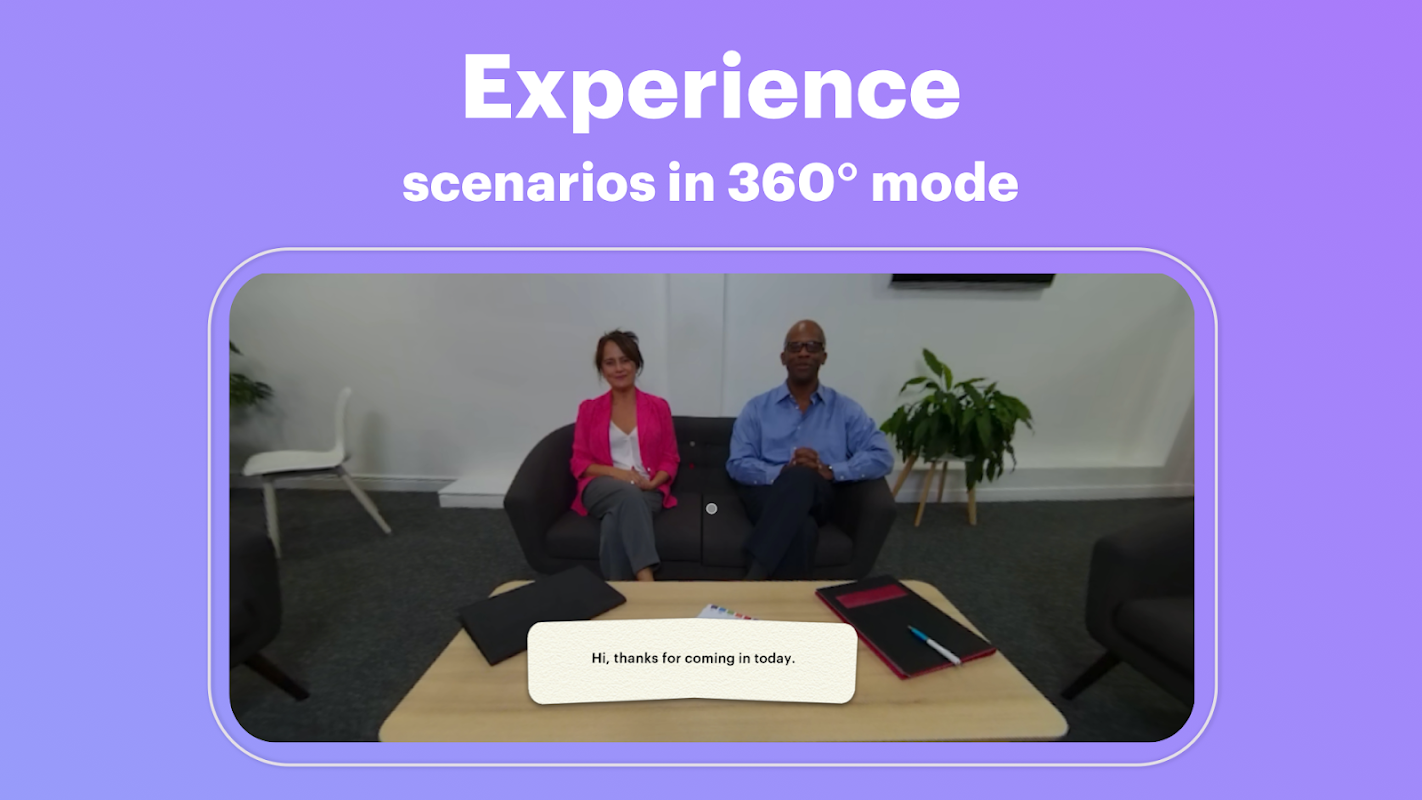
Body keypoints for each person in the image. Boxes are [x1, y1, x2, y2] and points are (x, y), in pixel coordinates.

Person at [728, 320, 894, 579]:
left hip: (821, 494)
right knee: (802, 528)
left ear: (823, 356)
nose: (803, 353)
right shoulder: (757, 408)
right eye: (795, 347)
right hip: (767, 491)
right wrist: (783, 471)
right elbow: (737, 463)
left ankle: (753, 578)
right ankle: (786, 601)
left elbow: (882, 455)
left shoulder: (845, 409)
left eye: (812, 346)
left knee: (803, 477)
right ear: (783, 358)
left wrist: (830, 470)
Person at [569, 330, 680, 581]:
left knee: (614, 521)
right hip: (600, 486)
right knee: (627, 494)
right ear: (602, 369)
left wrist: (652, 483)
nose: (619, 368)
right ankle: (647, 581)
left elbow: (670, 458)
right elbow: (580, 462)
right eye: (610, 362)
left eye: (625, 360)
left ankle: (618, 592)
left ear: (636, 364)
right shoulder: (589, 409)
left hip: (647, 488)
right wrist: (618, 474)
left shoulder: (658, 407)